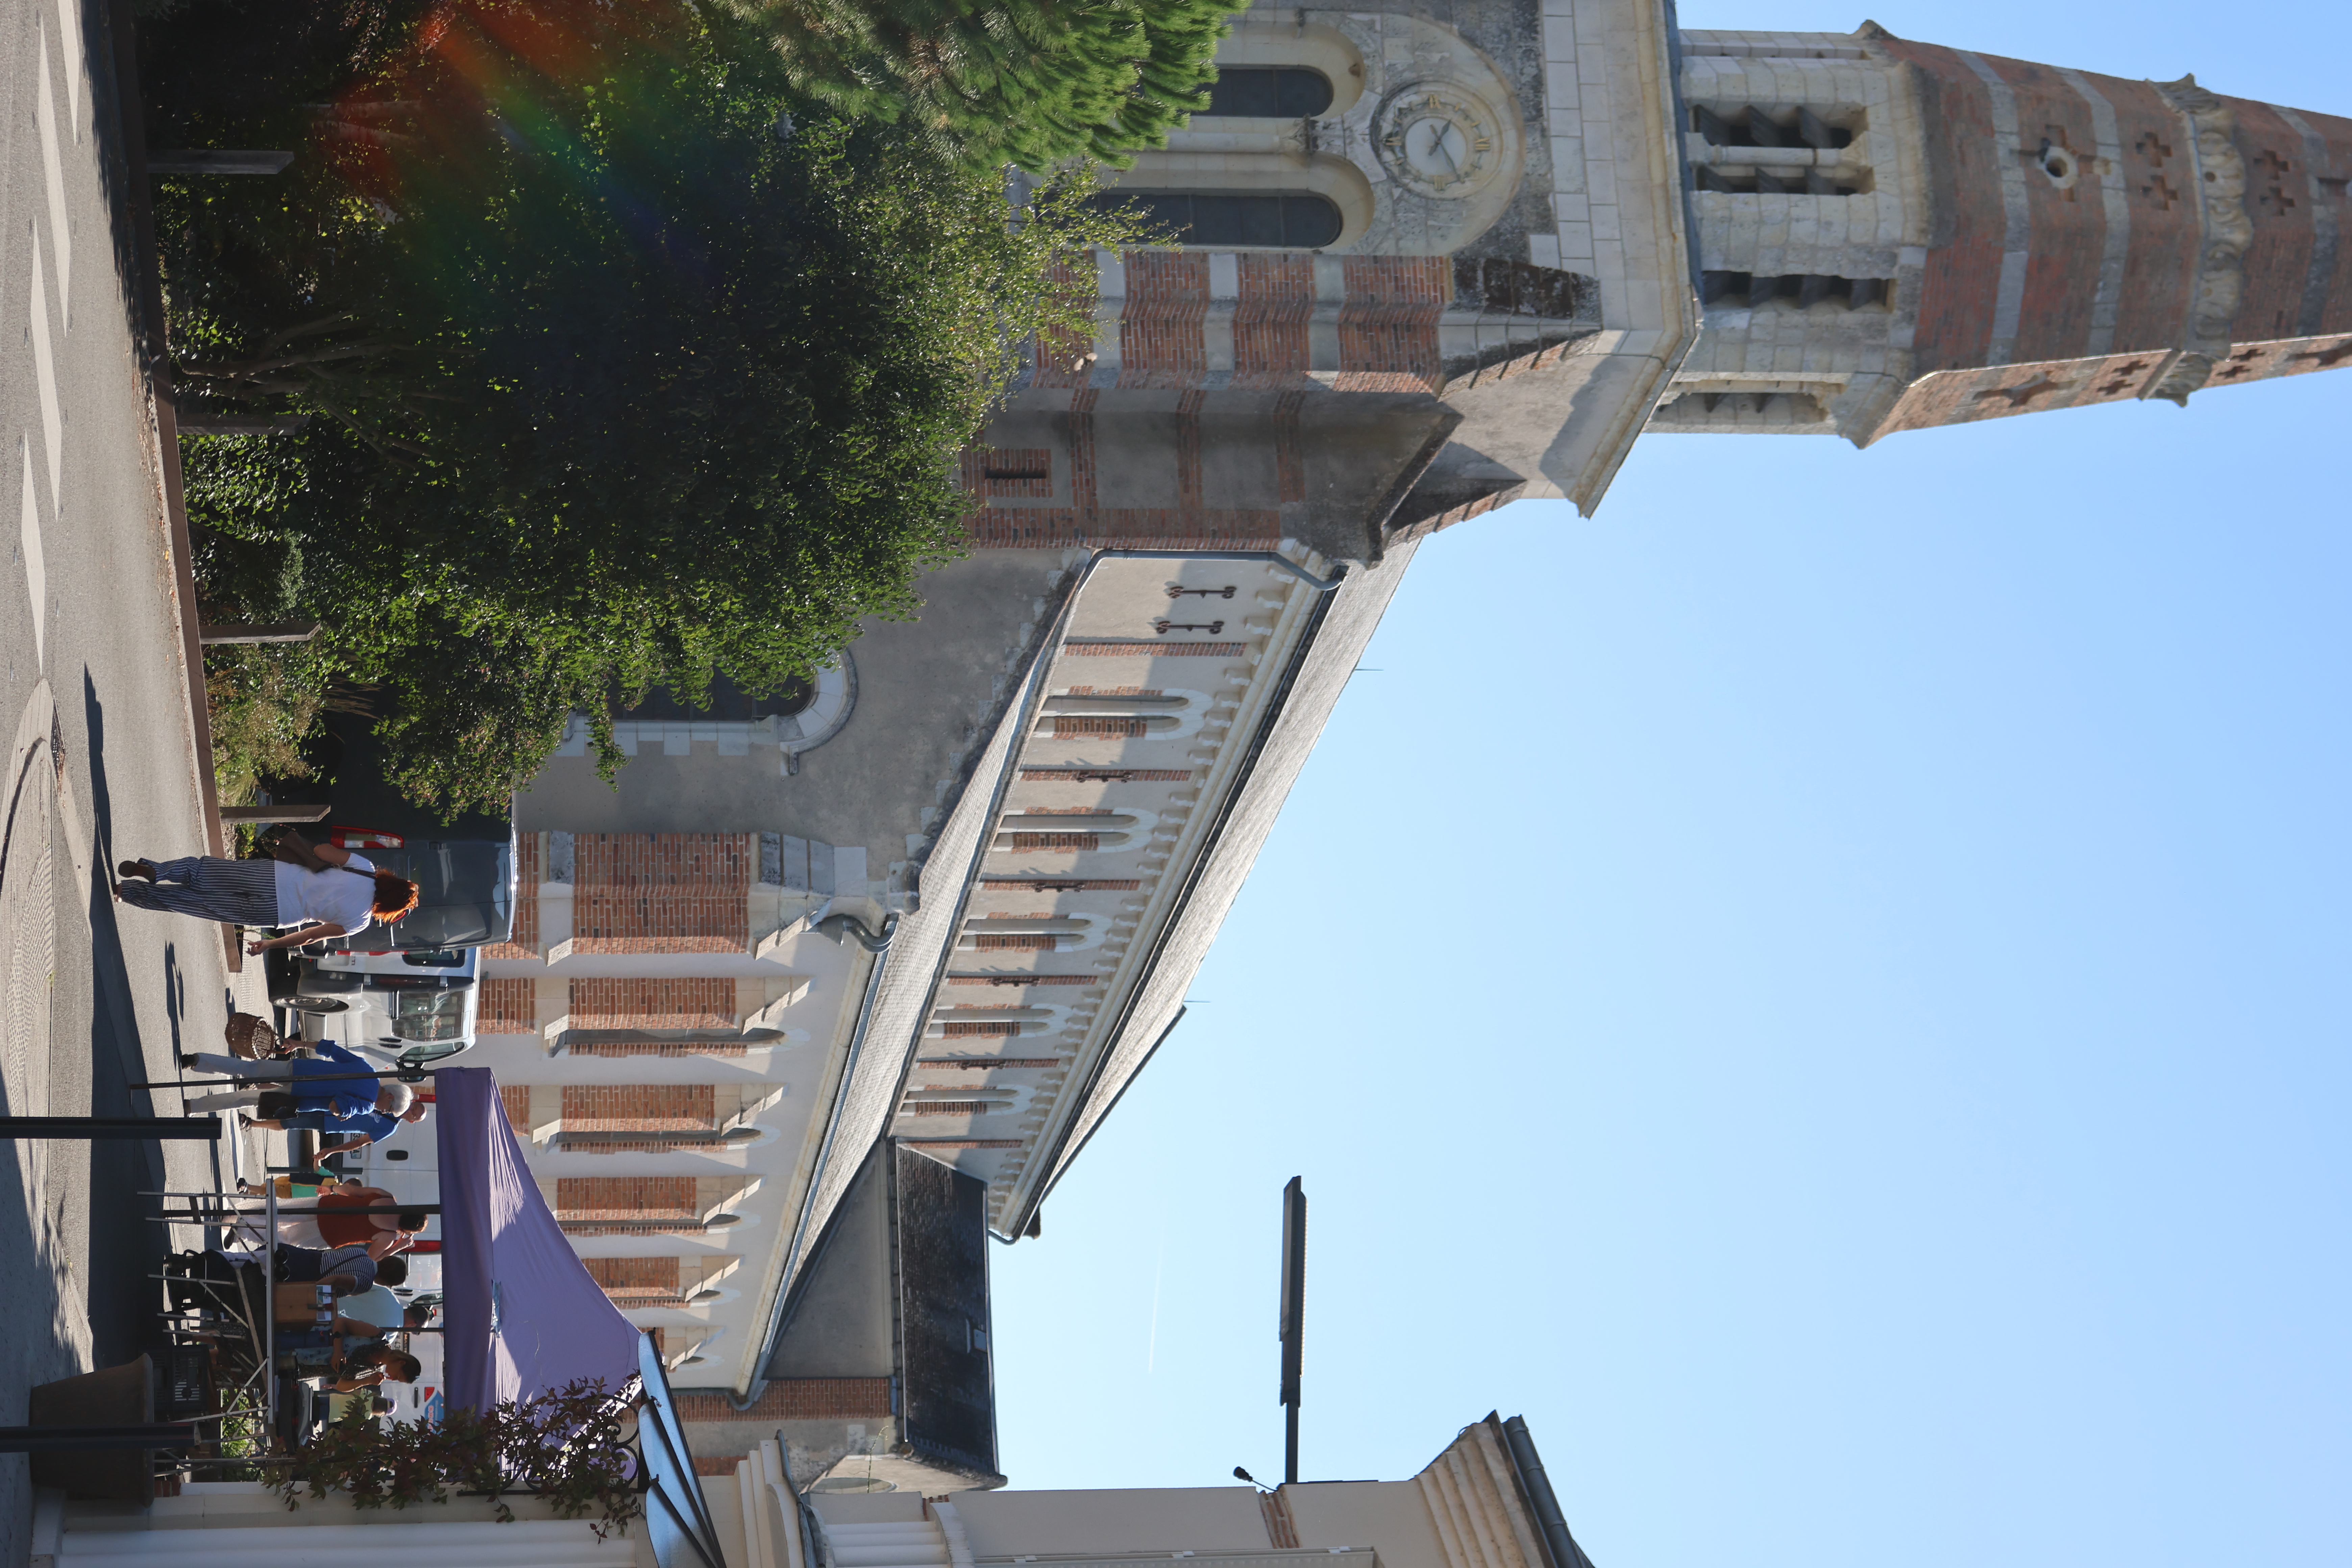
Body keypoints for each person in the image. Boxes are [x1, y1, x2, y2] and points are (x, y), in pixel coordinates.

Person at [114, 832, 420, 950]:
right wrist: (269, 946)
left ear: (393, 881)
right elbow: (311, 936)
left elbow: (322, 850)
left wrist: (319, 854)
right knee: (199, 904)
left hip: (274, 876)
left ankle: (159, 871)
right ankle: (127, 892)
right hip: (278, 913)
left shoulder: (364, 868)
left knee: (204, 871)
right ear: (389, 909)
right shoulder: (359, 922)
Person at [177, 1040, 424, 1151]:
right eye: (388, 1110)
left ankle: (198, 1061)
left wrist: (298, 1044)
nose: (383, 1112)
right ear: (390, 1099)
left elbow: (331, 1050)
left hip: (301, 1069)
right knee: (244, 1100)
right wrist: (341, 1115)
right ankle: (193, 1106)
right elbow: (337, 1105)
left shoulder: (369, 1071)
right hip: (298, 1095)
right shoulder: (368, 1105)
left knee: (249, 1069)